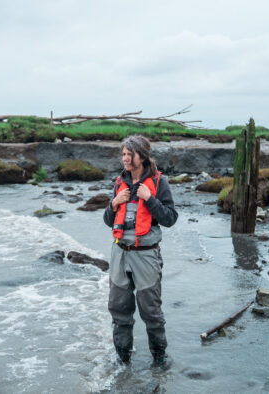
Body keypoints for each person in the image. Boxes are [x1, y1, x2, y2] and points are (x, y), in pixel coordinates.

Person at [103, 135, 178, 368]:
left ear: (142, 156)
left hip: (146, 254)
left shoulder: (158, 182)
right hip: (119, 254)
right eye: (123, 154)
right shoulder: (119, 182)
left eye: (129, 154)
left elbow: (170, 218)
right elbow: (108, 221)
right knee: (118, 310)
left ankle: (160, 359)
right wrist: (113, 204)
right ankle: (122, 360)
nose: (125, 158)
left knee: (151, 312)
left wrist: (150, 199)